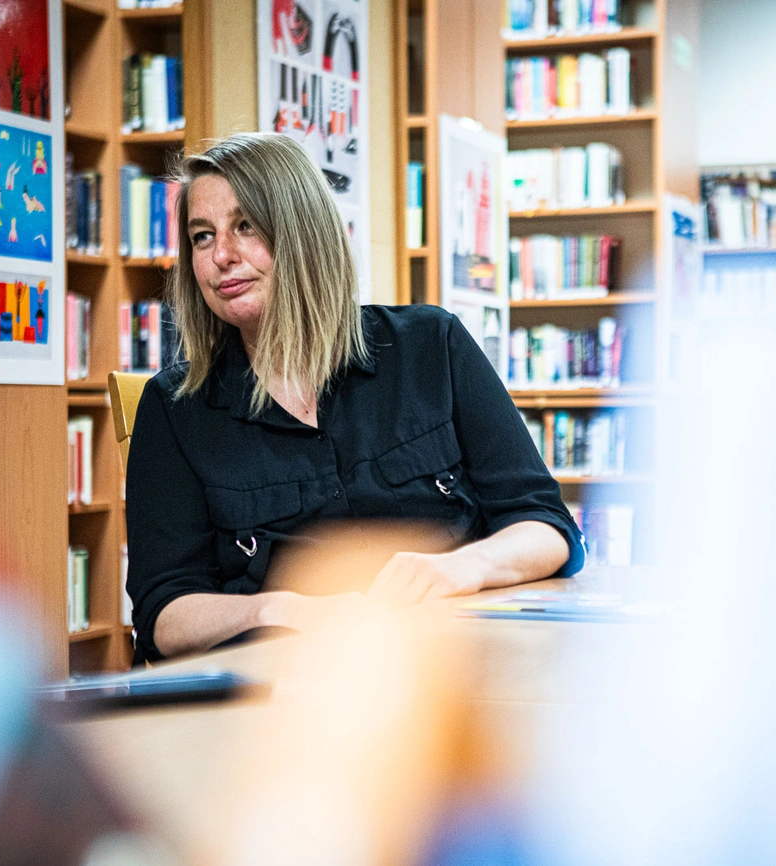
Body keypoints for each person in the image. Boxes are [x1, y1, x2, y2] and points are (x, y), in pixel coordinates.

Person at [125, 133, 584, 663]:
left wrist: (462, 568)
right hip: (285, 681)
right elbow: (163, 614)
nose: (222, 256)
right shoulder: (174, 407)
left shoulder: (431, 345)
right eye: (202, 237)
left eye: (246, 226)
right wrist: (276, 610)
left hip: (459, 664)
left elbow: (546, 527)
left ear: (305, 233)